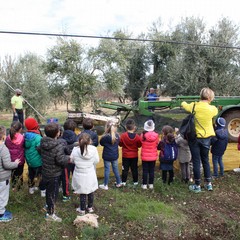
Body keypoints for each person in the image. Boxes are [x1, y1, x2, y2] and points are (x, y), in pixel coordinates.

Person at [181, 87, 218, 193]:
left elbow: (185, 105)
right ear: (210, 97)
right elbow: (216, 111)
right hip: (207, 139)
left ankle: (197, 185)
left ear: (200, 95)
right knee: (205, 160)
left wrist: (182, 102)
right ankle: (209, 184)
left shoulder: (194, 106)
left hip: (195, 138)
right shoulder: (212, 109)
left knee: (196, 161)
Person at [39, 122, 69, 222]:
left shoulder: (43, 142)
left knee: (49, 191)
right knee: (53, 194)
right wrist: (69, 158)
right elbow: (61, 160)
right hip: (54, 174)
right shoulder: (58, 146)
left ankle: (48, 205)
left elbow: (39, 150)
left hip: (45, 172)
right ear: (57, 133)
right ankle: (50, 214)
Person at [71, 133, 99, 215]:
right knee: (90, 191)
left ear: (79, 141)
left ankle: (82, 209)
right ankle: (90, 208)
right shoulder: (93, 149)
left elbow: (72, 160)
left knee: (82, 192)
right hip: (90, 173)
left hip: (79, 174)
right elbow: (96, 161)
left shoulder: (75, 149)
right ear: (90, 141)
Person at [0, 126, 20, 222]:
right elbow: (7, 165)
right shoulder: (3, 149)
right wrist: (15, 163)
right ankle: (1, 214)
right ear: (3, 136)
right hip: (2, 178)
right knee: (3, 196)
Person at [24, 117, 45, 196]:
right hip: (38, 161)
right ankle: (43, 190)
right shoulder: (38, 137)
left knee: (31, 175)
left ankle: (31, 188)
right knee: (42, 176)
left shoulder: (25, 136)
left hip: (29, 161)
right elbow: (41, 149)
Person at [99, 121, 122, 190]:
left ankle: (105, 185)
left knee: (107, 170)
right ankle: (119, 182)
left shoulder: (105, 137)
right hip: (114, 155)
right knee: (115, 169)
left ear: (107, 128)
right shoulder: (118, 136)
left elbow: (101, 143)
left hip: (107, 156)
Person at [119, 119, 141, 186]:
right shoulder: (137, 136)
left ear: (126, 127)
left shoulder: (123, 135)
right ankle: (135, 182)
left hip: (125, 155)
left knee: (125, 169)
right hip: (134, 155)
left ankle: (123, 182)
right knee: (134, 169)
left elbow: (120, 144)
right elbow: (139, 145)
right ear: (134, 127)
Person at [60, 119, 78, 202]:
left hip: (66, 160)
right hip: (74, 159)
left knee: (65, 178)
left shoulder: (61, 136)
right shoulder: (76, 136)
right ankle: (76, 189)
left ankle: (65, 195)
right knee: (76, 174)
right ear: (74, 128)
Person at [5, 121, 25, 190]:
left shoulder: (7, 138)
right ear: (20, 129)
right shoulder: (22, 137)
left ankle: (13, 187)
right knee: (20, 174)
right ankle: (19, 188)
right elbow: (24, 146)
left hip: (11, 160)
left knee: (13, 175)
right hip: (20, 160)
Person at [140, 120, 159, 189]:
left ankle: (144, 184)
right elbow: (157, 143)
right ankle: (151, 184)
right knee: (151, 170)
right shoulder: (156, 135)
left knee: (145, 170)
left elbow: (141, 142)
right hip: (153, 156)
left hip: (145, 156)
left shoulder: (142, 135)